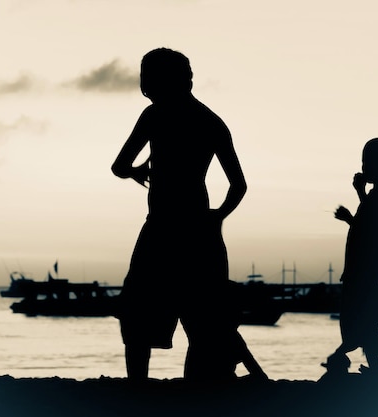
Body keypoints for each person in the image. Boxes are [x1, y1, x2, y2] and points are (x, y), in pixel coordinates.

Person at [112, 47, 252, 381]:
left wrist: (136, 171)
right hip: (199, 229)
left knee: (138, 312)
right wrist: (217, 216)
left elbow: (119, 166)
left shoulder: (154, 115)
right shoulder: (211, 121)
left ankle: (139, 386)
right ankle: (196, 387)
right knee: (200, 319)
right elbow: (239, 186)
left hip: (161, 228)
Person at [323, 138, 378, 375]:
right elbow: (366, 225)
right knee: (362, 324)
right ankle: (376, 370)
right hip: (360, 268)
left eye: (369, 162)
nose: (364, 167)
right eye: (364, 162)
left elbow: (373, 227)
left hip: (367, 269)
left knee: (361, 325)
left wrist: (359, 194)